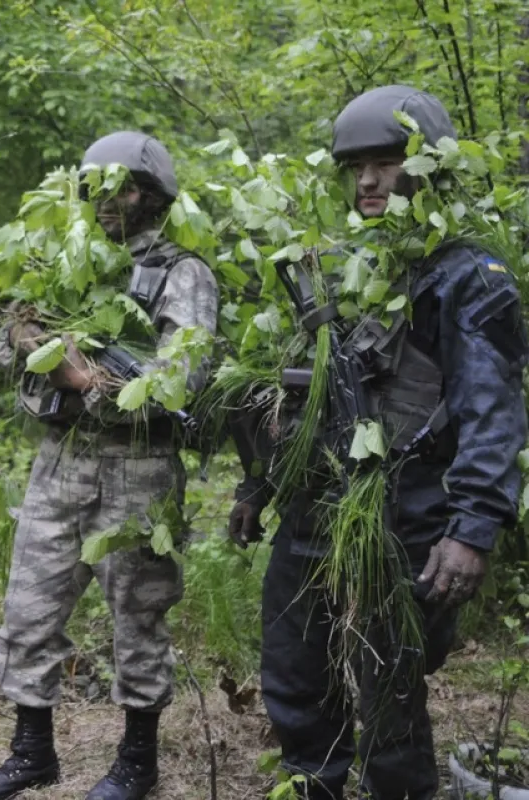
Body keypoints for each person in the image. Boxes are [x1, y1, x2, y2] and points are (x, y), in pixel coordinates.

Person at [227, 85, 528, 800]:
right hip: (313, 513)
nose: (367, 180)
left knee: (390, 692)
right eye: (356, 165)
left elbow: (493, 412)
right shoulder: (337, 271)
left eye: (388, 162)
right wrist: (259, 483)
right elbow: (303, 400)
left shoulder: (468, 280)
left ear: (428, 168)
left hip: (406, 514)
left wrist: (474, 528)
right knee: (296, 680)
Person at [0, 131, 218, 800]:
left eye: (126, 187)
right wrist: (26, 336)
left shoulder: (181, 273)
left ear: (154, 196)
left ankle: (138, 761)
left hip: (139, 468)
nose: (110, 201)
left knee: (139, 615)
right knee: (28, 607)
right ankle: (32, 750)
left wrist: (90, 381)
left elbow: (179, 381)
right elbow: (8, 336)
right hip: (60, 461)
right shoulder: (69, 263)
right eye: (100, 189)